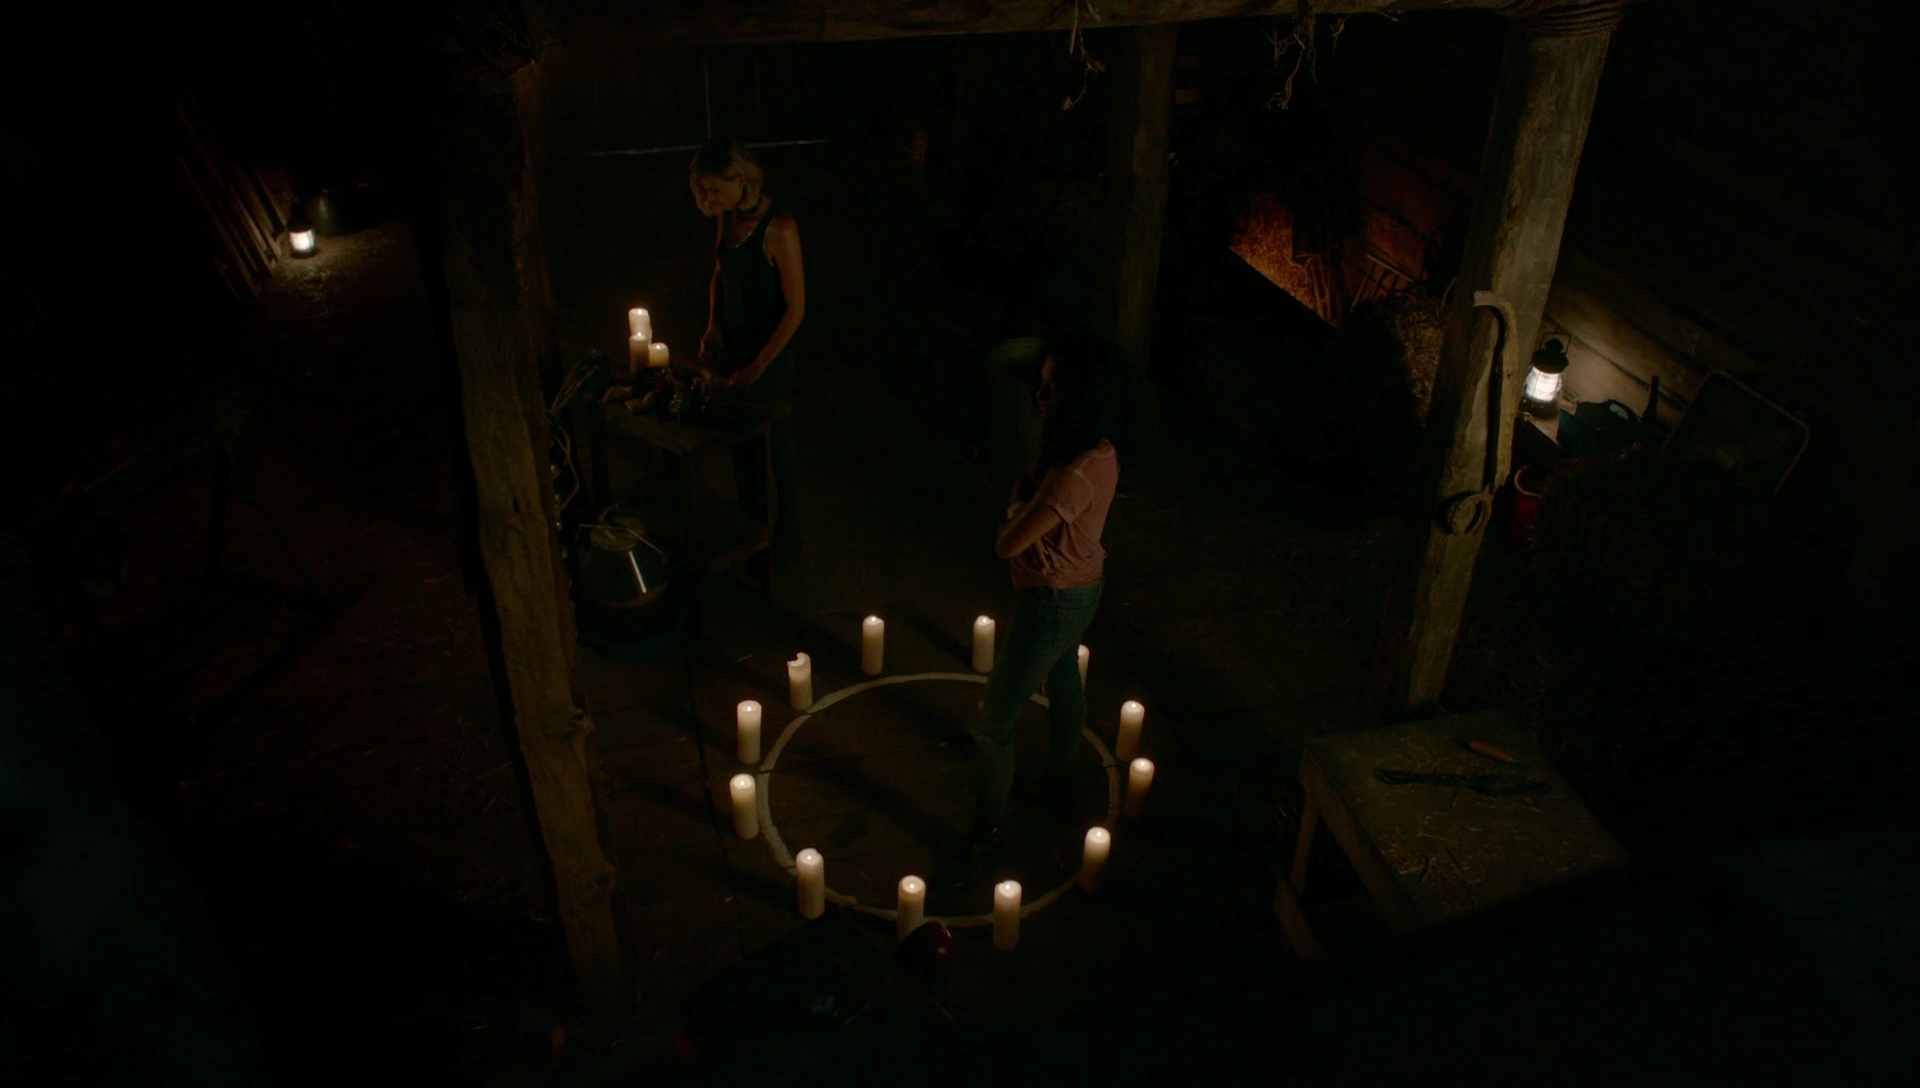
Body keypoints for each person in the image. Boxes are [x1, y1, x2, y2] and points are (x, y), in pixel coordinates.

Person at [939, 336, 1135, 893]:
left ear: (1083, 399)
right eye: (1040, 384)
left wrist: (1017, 501)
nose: (1039, 397)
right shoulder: (1103, 451)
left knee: (990, 725)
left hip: (1049, 602)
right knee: (1065, 675)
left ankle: (987, 834)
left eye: (1053, 390)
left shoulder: (1070, 474)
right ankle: (1060, 780)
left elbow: (1008, 542)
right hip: (1083, 588)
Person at [690, 137, 805, 573]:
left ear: (741, 180)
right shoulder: (728, 218)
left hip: (770, 352)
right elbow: (720, 273)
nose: (711, 199)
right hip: (734, 346)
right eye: (706, 190)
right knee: (743, 448)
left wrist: (760, 364)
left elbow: (796, 309)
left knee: (779, 448)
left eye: (716, 189)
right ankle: (753, 536)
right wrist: (713, 325)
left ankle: (789, 539)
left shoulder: (780, 230)